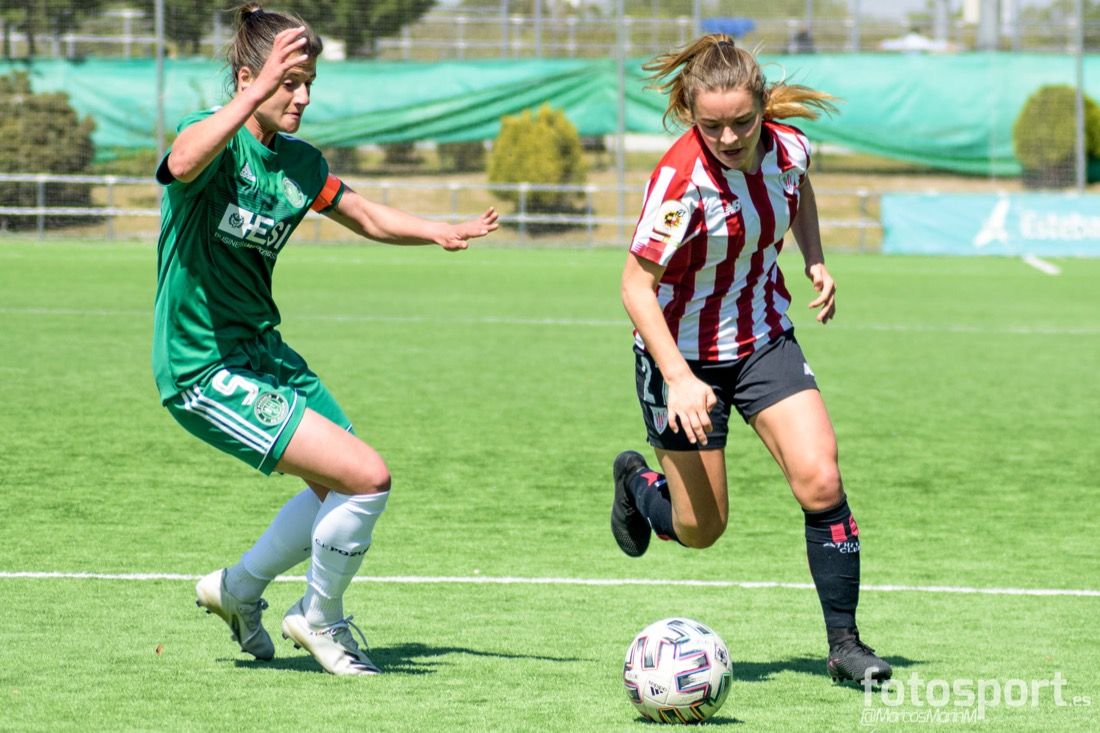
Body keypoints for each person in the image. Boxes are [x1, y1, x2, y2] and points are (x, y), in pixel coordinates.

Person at [152, 4, 498, 677]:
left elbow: (363, 213)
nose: (303, 97)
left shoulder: (300, 163)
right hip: (203, 366)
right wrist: (253, 94)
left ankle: (239, 588)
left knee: (338, 480)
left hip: (264, 354)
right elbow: (181, 161)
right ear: (249, 79)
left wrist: (436, 229)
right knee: (367, 478)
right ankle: (319, 618)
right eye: (289, 83)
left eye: (308, 83)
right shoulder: (215, 143)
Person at [609, 34, 891, 684]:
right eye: (712, 126)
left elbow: (800, 190)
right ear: (689, 113)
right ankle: (637, 484)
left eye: (742, 121)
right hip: (681, 359)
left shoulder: (789, 148)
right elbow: (634, 287)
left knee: (821, 480)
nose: (729, 137)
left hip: (763, 338)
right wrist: (679, 379)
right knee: (701, 528)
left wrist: (814, 257)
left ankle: (845, 645)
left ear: (763, 106)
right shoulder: (680, 182)